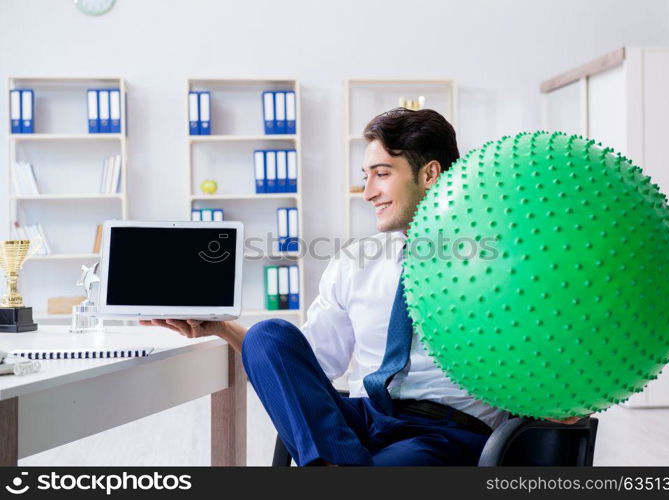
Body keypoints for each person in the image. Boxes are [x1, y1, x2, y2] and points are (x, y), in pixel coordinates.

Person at [142, 108, 581, 466]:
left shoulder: (498, 264)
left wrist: (560, 396)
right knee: (268, 335)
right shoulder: (356, 260)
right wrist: (220, 327)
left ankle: (335, 466)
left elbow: (545, 355)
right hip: (363, 418)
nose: (367, 190)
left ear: (430, 174)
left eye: (381, 173)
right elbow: (315, 361)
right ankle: (338, 465)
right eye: (365, 175)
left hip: (445, 434)